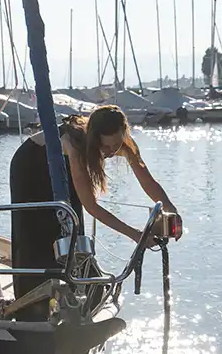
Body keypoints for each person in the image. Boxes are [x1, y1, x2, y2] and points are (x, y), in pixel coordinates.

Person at [10, 104, 179, 300]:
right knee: (43, 225)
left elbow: (147, 180)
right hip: (32, 163)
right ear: (94, 137)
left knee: (73, 221)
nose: (110, 151)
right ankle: (33, 296)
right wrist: (135, 235)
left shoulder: (124, 143)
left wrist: (171, 209)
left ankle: (82, 289)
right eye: (105, 146)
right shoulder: (74, 146)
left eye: (116, 145)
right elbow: (92, 207)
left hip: (63, 165)